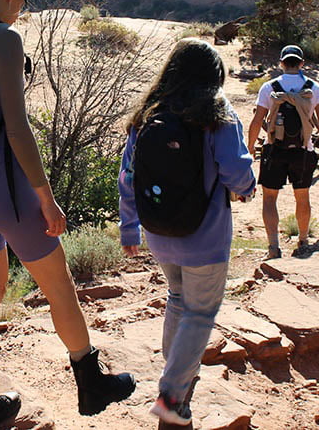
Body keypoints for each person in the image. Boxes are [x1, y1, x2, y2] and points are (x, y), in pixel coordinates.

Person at [0, 0, 135, 429]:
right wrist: (45, 196)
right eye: (21, 3)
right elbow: (19, 128)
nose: (20, 12)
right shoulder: (4, 38)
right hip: (2, 190)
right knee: (59, 285)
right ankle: (91, 382)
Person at [118, 38, 257, 426]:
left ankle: (177, 373)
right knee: (200, 310)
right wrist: (246, 189)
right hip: (205, 236)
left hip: (159, 232)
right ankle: (173, 393)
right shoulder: (216, 111)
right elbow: (236, 169)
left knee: (178, 297)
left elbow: (127, 175)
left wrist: (129, 226)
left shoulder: (150, 112)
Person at [246, 45, 319, 259]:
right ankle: (303, 240)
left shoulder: (269, 87)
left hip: (274, 149)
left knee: (269, 198)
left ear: (282, 63)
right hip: (304, 151)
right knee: (302, 197)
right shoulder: (315, 89)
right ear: (302, 63)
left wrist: (250, 148)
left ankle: (273, 247)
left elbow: (258, 120)